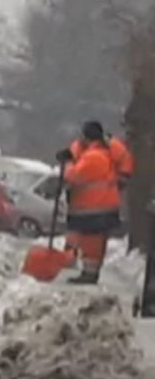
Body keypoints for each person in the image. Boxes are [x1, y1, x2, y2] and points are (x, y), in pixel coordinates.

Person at [60, 121, 123, 284]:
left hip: (95, 208)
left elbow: (74, 176)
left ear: (87, 138)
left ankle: (89, 274)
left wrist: (67, 164)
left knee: (92, 243)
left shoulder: (94, 157)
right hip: (99, 207)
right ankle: (87, 271)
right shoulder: (101, 153)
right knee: (91, 242)